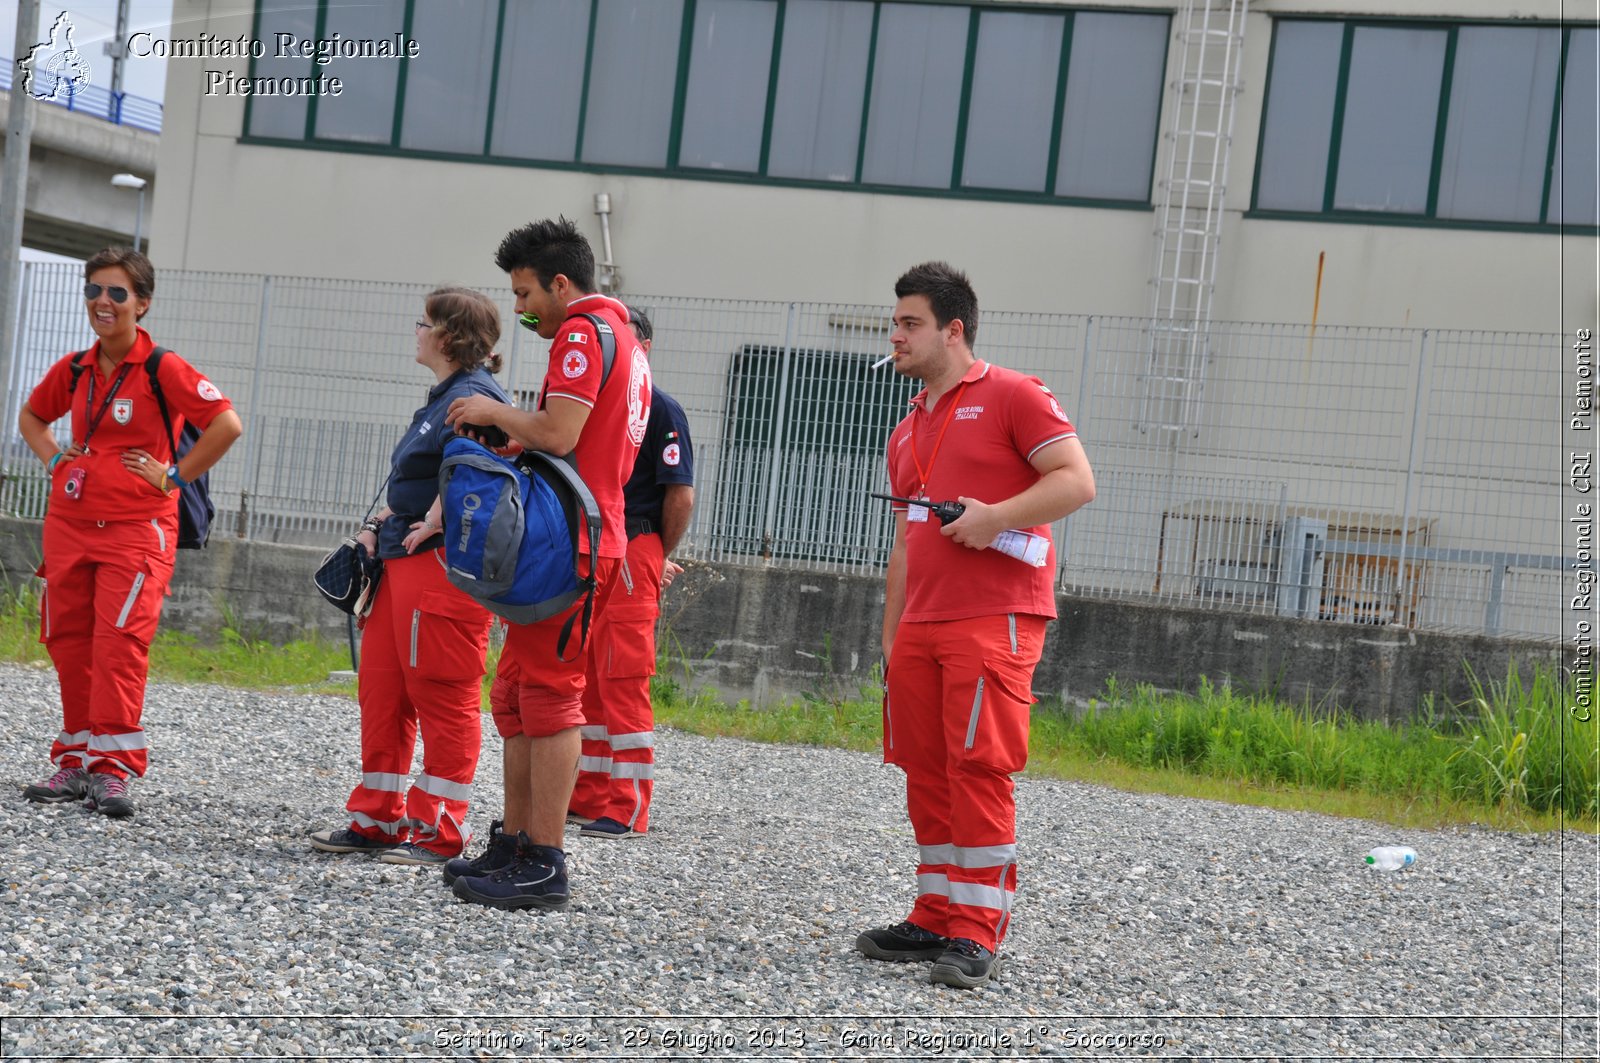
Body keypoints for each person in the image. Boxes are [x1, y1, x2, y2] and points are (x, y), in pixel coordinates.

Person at [857, 261, 1095, 989]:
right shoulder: (907, 429)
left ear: (952, 330)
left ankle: (976, 929)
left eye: (910, 323)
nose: (894, 335)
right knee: (926, 770)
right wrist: (893, 639)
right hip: (924, 625)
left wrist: (993, 518)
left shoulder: (1014, 395)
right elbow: (904, 543)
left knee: (977, 768)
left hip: (995, 618)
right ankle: (935, 911)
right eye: (894, 322)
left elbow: (1076, 480)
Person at [441, 217, 651, 909]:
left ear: (563, 284)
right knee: (517, 695)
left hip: (576, 539)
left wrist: (492, 413)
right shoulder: (619, 336)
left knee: (553, 695)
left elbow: (561, 431)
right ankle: (518, 842)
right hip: (574, 532)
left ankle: (545, 858)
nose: (522, 306)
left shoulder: (584, 334)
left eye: (526, 291)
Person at [17, 246, 244, 820]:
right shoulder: (74, 367)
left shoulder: (161, 367)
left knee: (118, 646)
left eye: (117, 293)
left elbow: (226, 423)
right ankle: (73, 762)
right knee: (70, 642)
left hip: (136, 531)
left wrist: (173, 477)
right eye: (94, 290)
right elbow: (32, 417)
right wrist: (54, 462)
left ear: (141, 304)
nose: (103, 302)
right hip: (69, 525)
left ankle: (112, 770)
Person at [309, 287, 509, 866]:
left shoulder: (472, 397)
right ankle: (378, 817)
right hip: (404, 561)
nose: (415, 332)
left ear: (447, 336)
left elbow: (482, 469)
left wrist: (434, 520)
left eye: (423, 324)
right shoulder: (446, 395)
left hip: (440, 566)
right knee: (384, 689)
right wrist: (387, 521)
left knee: (443, 693)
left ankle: (441, 830)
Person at [568, 305, 695, 839]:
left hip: (632, 541)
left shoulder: (660, 409)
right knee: (590, 677)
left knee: (622, 678)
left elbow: (680, 493)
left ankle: (629, 805)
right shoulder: (593, 405)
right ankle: (591, 794)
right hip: (597, 545)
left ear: (642, 345)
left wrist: (654, 553)